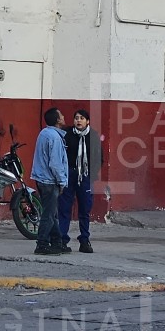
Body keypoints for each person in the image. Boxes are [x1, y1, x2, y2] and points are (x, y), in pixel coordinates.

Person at [58, 109, 102, 253]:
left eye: (82, 118)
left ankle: (84, 240)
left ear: (87, 121)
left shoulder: (93, 136)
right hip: (69, 174)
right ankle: (62, 239)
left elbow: (98, 157)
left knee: (85, 209)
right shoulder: (67, 134)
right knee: (64, 208)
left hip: (85, 175)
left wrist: (91, 175)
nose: (78, 120)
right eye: (76, 118)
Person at [31, 108, 68, 255]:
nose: (64, 117)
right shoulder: (55, 137)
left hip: (41, 179)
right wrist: (62, 181)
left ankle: (57, 242)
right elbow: (55, 163)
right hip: (50, 181)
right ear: (58, 120)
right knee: (49, 214)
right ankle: (42, 244)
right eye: (61, 115)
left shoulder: (44, 133)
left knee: (52, 213)